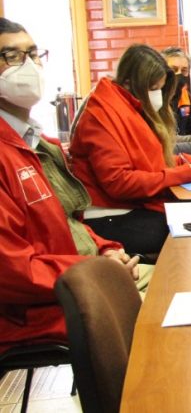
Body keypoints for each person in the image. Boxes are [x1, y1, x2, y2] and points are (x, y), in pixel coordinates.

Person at [0, 20, 148, 353]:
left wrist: (106, 249)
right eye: (11, 56)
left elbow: (69, 223)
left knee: (184, 284)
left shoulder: (39, 142)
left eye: (34, 54)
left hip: (79, 281)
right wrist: (96, 269)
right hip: (39, 309)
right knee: (169, 322)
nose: (28, 65)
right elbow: (12, 272)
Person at [69, 44, 191, 256]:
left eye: (161, 89)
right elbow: (119, 183)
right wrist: (178, 173)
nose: (158, 96)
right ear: (130, 83)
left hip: (129, 208)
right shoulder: (101, 115)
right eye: (153, 88)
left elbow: (146, 161)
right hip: (109, 216)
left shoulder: (126, 106)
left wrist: (184, 163)